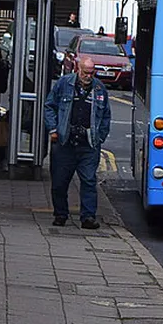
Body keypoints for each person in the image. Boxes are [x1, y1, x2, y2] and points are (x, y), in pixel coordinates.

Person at [44, 56, 111, 229]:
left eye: (91, 73)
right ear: (78, 69)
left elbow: (106, 116)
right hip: (65, 142)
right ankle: (60, 214)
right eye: (85, 72)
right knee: (59, 182)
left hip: (88, 144)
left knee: (89, 180)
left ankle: (88, 217)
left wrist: (100, 137)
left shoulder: (99, 89)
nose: (88, 76)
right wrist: (53, 129)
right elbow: (49, 106)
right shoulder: (64, 83)